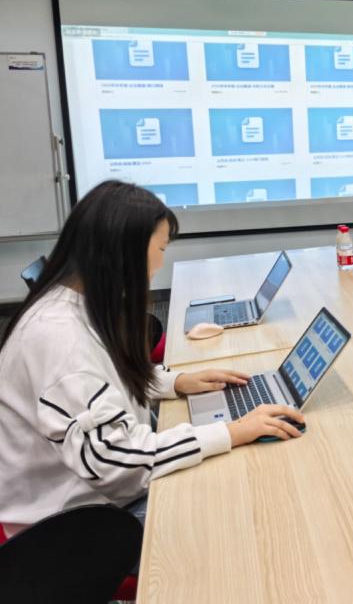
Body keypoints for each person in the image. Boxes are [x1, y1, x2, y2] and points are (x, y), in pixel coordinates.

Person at [0, 181, 304, 537]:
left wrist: (175, 382)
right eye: (160, 248)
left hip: (90, 492)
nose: (159, 263)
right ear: (123, 252)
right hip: (70, 527)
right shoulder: (59, 337)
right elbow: (117, 465)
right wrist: (230, 432)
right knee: (247, 512)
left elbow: (100, 378)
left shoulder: (74, 304)